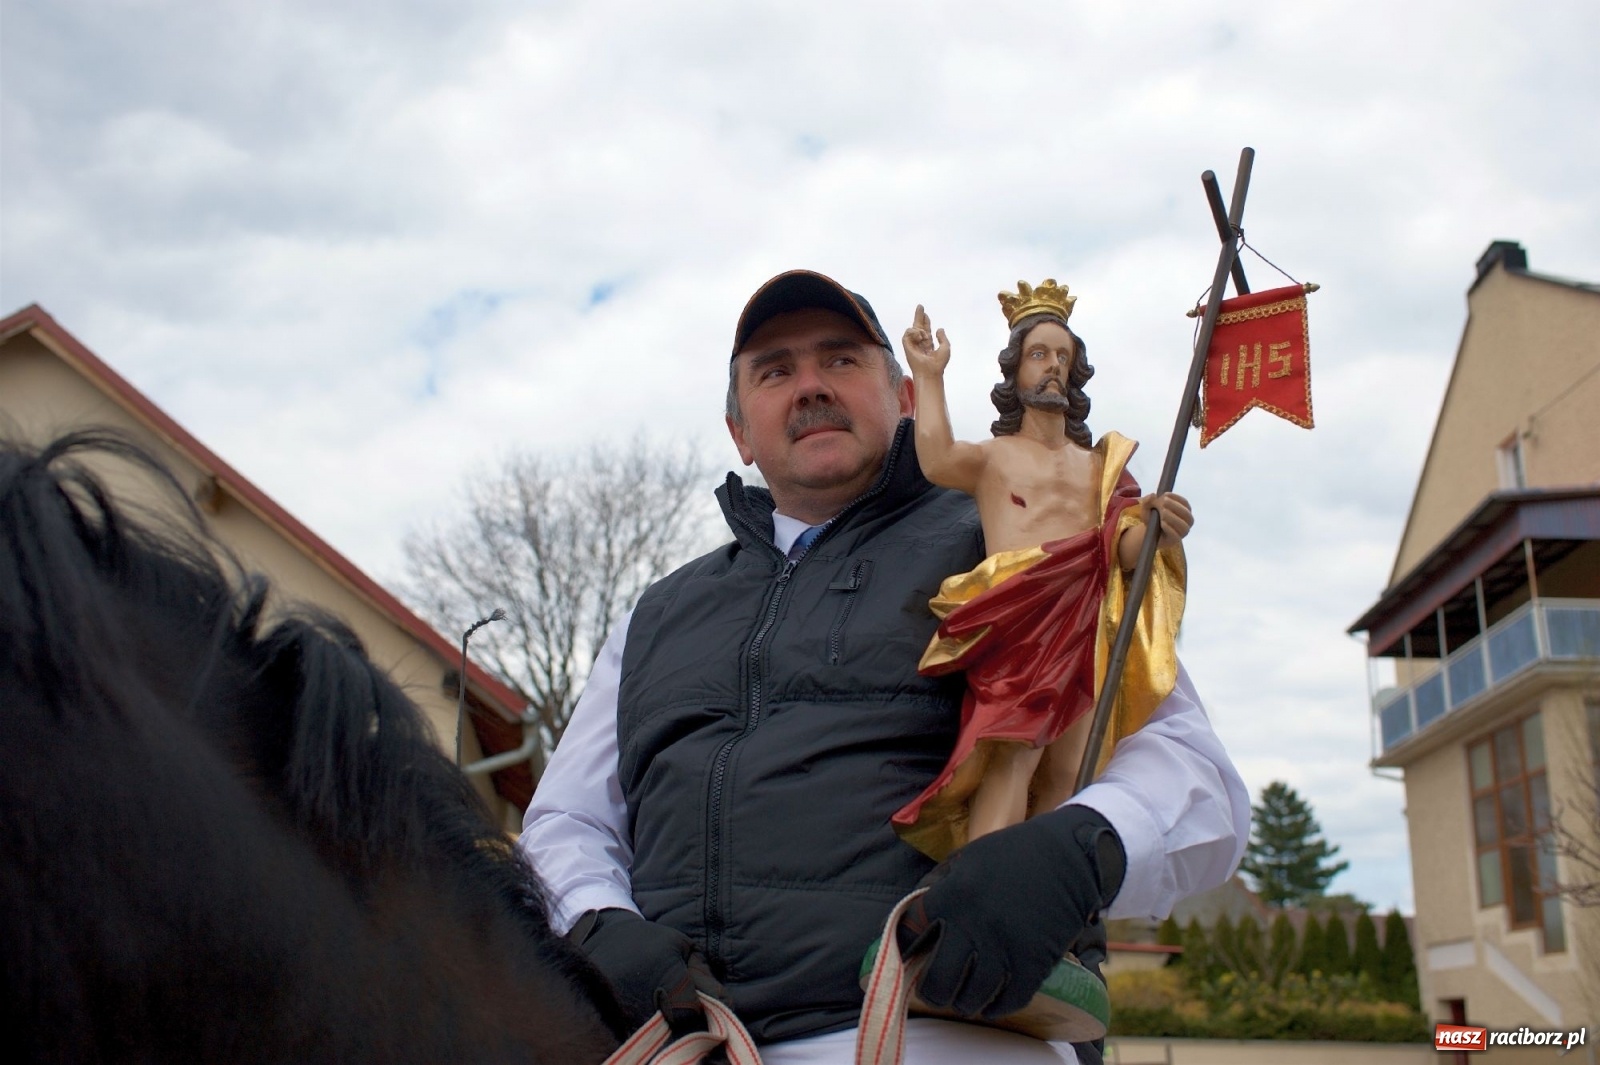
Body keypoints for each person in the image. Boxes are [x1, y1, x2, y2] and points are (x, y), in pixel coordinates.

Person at [519, 269, 1250, 1065]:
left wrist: (1080, 849)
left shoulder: (1016, 539)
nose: (810, 386)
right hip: (681, 1042)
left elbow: (1195, 778)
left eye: (840, 359)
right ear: (740, 434)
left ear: (906, 397)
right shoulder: (655, 616)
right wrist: (598, 922)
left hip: (938, 1030)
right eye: (775, 371)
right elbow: (567, 821)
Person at [891, 282, 1191, 861]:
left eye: (1063, 356)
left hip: (1085, 622)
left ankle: (1040, 890)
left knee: (1073, 767)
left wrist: (1158, 524)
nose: (1053, 366)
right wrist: (928, 376)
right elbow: (936, 458)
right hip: (1021, 621)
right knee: (1014, 753)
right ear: (1015, 370)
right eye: (1039, 354)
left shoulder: (1101, 466)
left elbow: (1122, 550)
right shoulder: (994, 457)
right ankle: (983, 885)